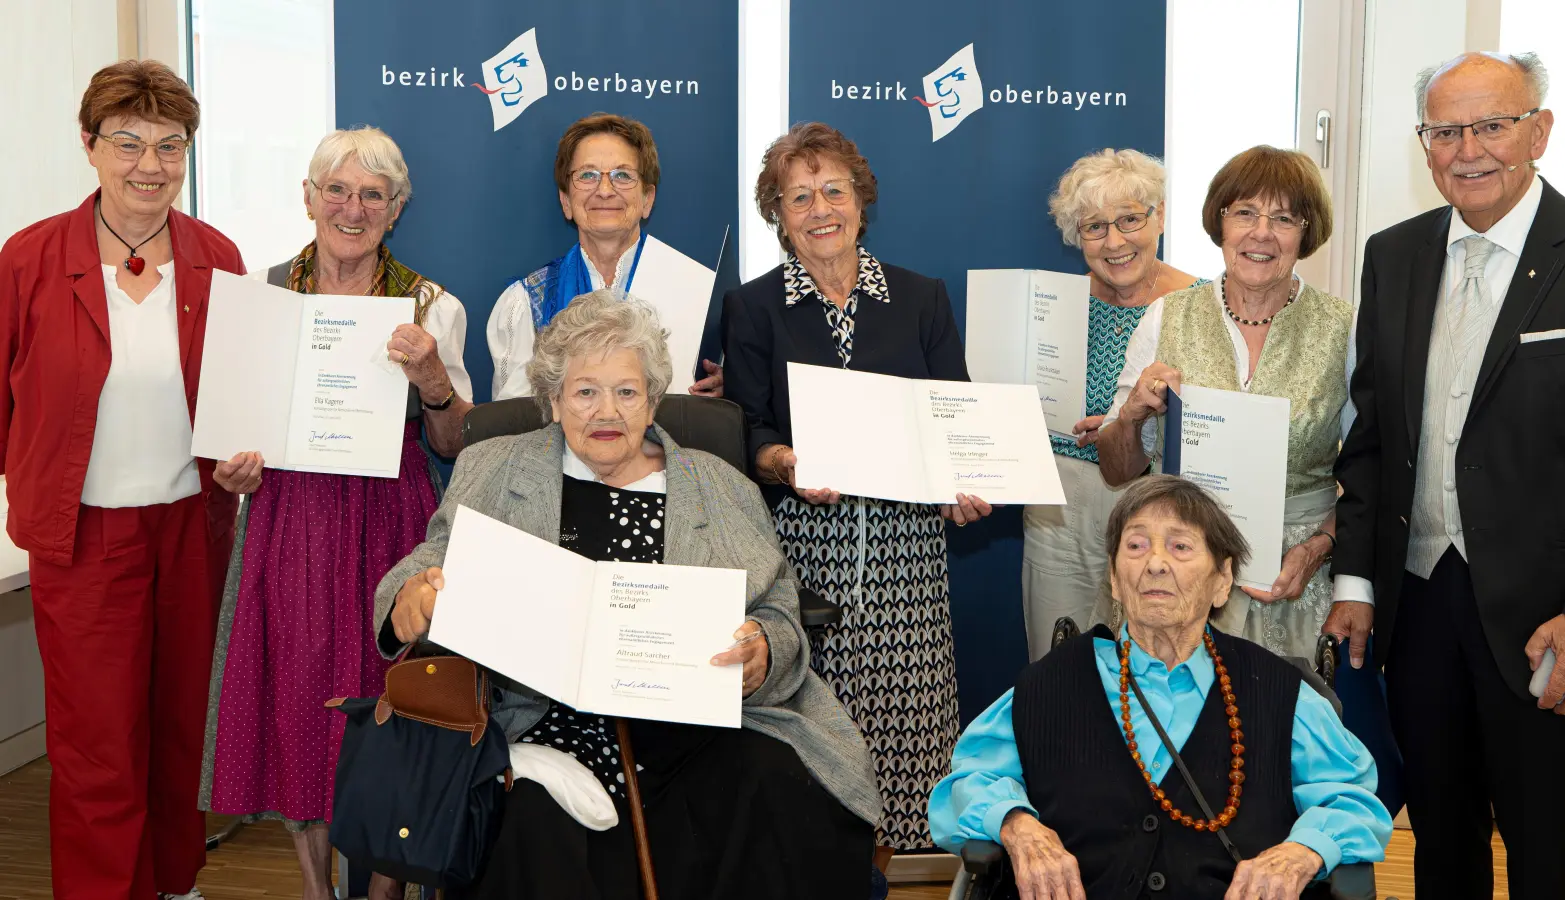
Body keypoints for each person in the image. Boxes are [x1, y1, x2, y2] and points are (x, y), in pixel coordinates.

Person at [375, 292, 880, 899]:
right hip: (542, 722)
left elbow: (777, 607)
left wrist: (764, 649)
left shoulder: (719, 485)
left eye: (626, 391)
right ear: (554, 400)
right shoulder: (497, 466)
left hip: (698, 726)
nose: (606, 411)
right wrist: (410, 599)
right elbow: (428, 564)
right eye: (585, 391)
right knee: (526, 823)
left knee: (772, 788)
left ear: (653, 400)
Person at [1328, 51, 1565, 898]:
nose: (1468, 150)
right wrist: (1357, 582)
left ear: (1539, 132)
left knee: (1549, 856)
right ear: (1425, 144)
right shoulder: (1394, 255)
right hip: (1418, 613)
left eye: (1492, 125)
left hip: (1550, 622)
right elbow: (1372, 436)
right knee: (1442, 849)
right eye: (1446, 131)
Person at [198, 126, 474, 900]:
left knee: (397, 698)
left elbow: (453, 443)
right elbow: (235, 436)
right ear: (310, 198)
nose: (353, 209)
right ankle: (316, 891)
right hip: (290, 517)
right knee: (297, 703)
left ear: (397, 208)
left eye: (373, 195)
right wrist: (234, 469)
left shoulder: (434, 305)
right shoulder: (262, 294)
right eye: (338, 191)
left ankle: (384, 892)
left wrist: (432, 379)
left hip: (393, 519)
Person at [721, 121, 992, 880]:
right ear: (779, 216)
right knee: (814, 724)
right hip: (805, 552)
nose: (820, 210)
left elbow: (953, 414)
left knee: (909, 725)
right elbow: (745, 429)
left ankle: (904, 876)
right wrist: (782, 462)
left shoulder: (920, 298)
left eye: (833, 191)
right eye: (798, 197)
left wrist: (961, 486)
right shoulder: (753, 307)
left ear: (861, 202)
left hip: (908, 555)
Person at [0, 60, 242, 900]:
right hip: (84, 534)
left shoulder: (216, 255)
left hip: (191, 526)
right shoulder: (29, 259)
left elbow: (236, 391)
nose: (150, 164)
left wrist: (242, 453)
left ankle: (175, 882)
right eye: (129, 142)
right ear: (90, 145)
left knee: (180, 728)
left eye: (170, 146)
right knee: (98, 743)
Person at [931, 475, 1391, 900]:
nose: (1155, 563)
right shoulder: (1049, 686)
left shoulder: (1280, 694)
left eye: (1180, 546)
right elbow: (968, 782)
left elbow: (1351, 801)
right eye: (1135, 546)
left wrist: (1303, 851)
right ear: (1114, 579)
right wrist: (1016, 825)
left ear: (1223, 580)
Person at [1095, 146, 1352, 661]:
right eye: (1245, 213)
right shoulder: (1166, 317)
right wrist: (1132, 416)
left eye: (1284, 219)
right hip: (1177, 582)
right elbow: (1117, 470)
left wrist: (1319, 548)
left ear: (1307, 233)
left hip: (1295, 582)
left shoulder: (1345, 329)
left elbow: (1374, 472)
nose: (1262, 233)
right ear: (1220, 221)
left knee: (1282, 712)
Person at [1023, 148, 1202, 660]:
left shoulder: (1200, 306)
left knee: (1157, 662)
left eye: (1129, 219)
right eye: (1095, 227)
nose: (1115, 241)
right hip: (1062, 508)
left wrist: (1130, 423)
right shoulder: (1050, 306)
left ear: (1159, 217)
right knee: (1060, 663)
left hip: (1163, 505)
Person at [486, 112, 723, 400]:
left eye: (623, 175)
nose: (605, 191)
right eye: (588, 175)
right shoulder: (527, 302)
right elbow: (514, 418)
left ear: (647, 199)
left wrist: (728, 391)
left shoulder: (700, 292)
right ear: (566, 201)